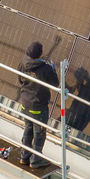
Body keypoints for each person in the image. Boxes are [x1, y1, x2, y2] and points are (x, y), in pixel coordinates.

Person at [15, 41, 59, 170]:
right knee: (39, 133)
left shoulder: (23, 62)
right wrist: (53, 70)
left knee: (28, 129)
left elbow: (20, 79)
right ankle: (35, 160)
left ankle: (24, 157)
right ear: (40, 53)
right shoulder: (45, 68)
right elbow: (55, 83)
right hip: (38, 107)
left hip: (25, 103)